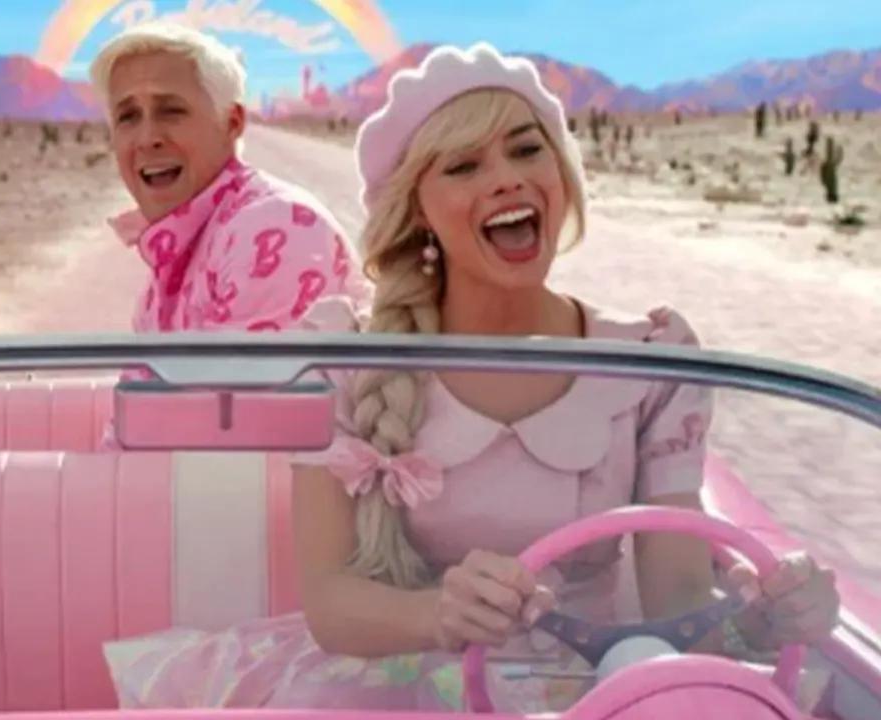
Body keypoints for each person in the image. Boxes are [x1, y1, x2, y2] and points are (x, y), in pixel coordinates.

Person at [99, 44, 841, 713]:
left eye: (527, 150)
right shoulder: (345, 355)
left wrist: (758, 621)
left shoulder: (652, 357)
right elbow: (329, 605)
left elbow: (674, 600)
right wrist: (438, 614)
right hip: (405, 684)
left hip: (598, 685)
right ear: (419, 211)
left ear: (561, 174)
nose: (507, 179)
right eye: (463, 166)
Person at [89, 22, 371, 334]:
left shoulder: (272, 225)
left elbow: (241, 368)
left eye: (171, 111)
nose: (147, 138)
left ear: (232, 123)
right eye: (127, 116)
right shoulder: (179, 250)